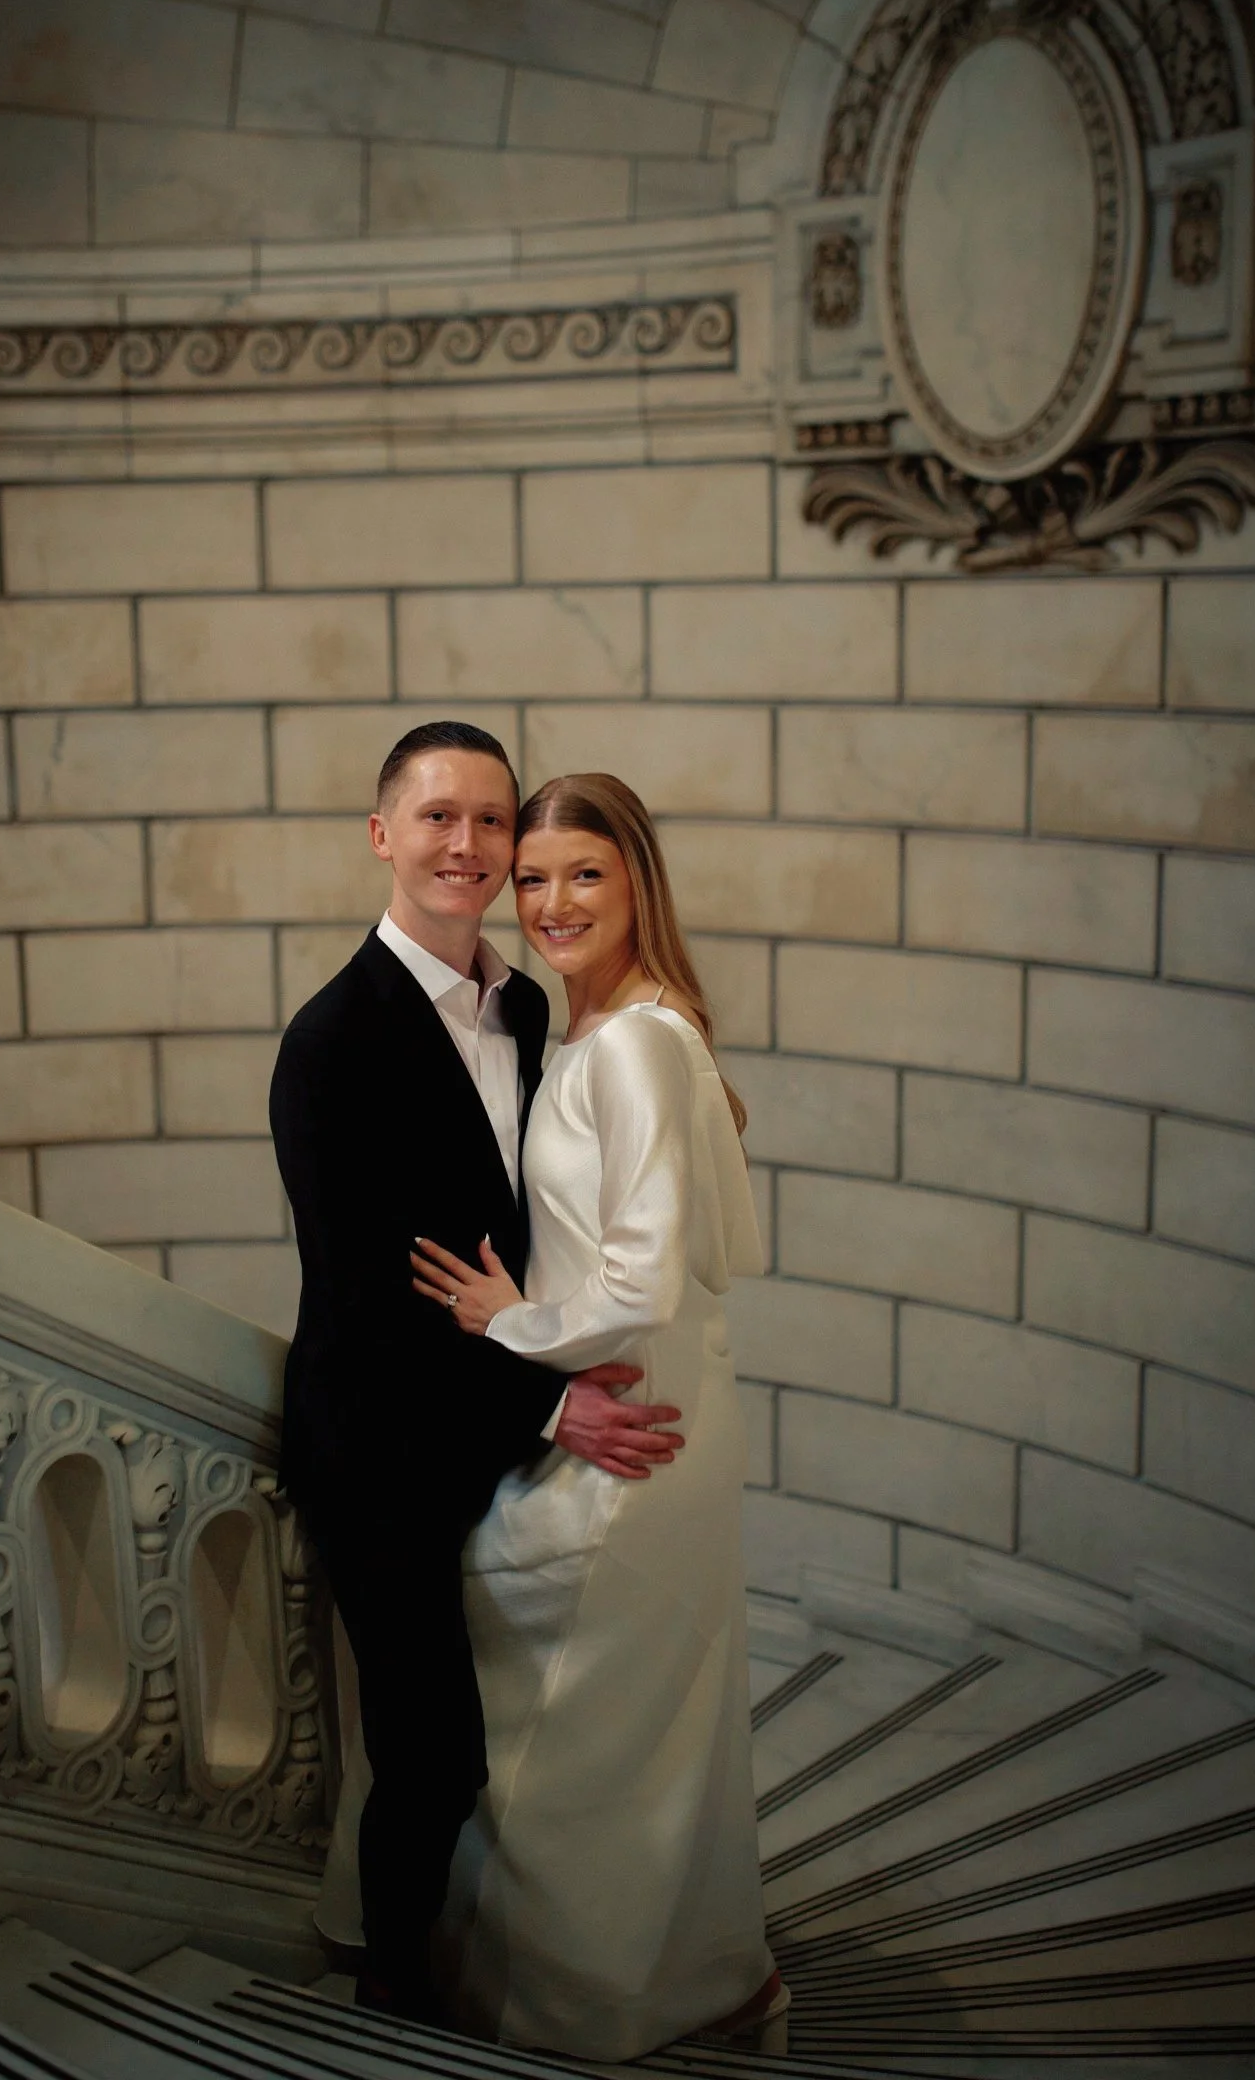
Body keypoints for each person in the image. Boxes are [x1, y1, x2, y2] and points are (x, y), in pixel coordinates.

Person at [269, 725, 686, 2024]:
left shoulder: (525, 1006)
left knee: (539, 1717)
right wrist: (554, 1398)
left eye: (491, 822)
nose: (468, 845)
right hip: (382, 1449)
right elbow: (367, 1304)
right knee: (432, 1747)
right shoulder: (331, 1042)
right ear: (383, 834)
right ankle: (396, 1990)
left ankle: (523, 1948)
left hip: (493, 1419)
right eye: (438, 817)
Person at [408, 772, 788, 2061]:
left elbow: (640, 1278)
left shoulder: (629, 1041)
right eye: (534, 878)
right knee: (645, 1740)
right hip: (652, 1408)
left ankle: (576, 2011)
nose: (553, 902)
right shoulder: (611, 1027)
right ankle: (690, 1978)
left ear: (636, 887)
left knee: (581, 1745)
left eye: (587, 876)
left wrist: (504, 1323)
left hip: (631, 1420)